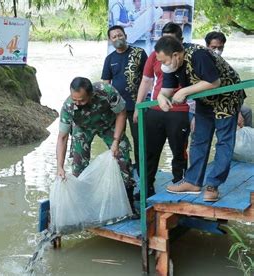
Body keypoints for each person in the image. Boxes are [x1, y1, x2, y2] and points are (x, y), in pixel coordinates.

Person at [155, 36, 246, 202]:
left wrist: (183, 91)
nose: (163, 65)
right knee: (198, 139)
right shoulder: (172, 66)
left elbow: (214, 82)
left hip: (227, 96)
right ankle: (192, 182)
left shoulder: (198, 55)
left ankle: (213, 185)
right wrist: (161, 96)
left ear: (176, 55)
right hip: (205, 100)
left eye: (165, 61)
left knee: (224, 141)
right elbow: (167, 89)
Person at [56, 77, 137, 214]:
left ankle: (129, 203)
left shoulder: (106, 92)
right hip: (83, 128)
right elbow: (62, 137)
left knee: (122, 157)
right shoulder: (68, 106)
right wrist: (59, 167)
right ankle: (83, 207)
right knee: (78, 165)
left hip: (109, 124)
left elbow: (121, 114)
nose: (78, 103)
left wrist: (116, 141)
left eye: (81, 100)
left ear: (91, 94)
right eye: (74, 99)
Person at [133, 23, 190, 199]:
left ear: (180, 41)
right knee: (150, 150)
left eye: (171, 40)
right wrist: (138, 105)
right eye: (164, 39)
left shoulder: (187, 57)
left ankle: (179, 183)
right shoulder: (154, 56)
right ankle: (146, 186)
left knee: (179, 150)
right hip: (156, 109)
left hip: (180, 110)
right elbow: (146, 81)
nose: (167, 44)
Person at [102, 25, 148, 174]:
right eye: (114, 37)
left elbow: (147, 79)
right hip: (117, 108)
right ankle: (125, 172)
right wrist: (106, 107)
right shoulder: (110, 59)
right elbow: (106, 84)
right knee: (118, 140)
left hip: (138, 107)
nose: (117, 38)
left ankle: (145, 179)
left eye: (120, 35)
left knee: (140, 141)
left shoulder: (139, 53)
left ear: (126, 36)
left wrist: (139, 105)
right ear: (110, 40)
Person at [204, 31, 252, 128]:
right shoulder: (201, 62)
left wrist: (237, 110)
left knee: (246, 111)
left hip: (228, 101)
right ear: (207, 46)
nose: (217, 50)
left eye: (220, 48)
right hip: (207, 103)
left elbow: (236, 90)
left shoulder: (225, 65)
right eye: (214, 47)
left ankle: (248, 139)